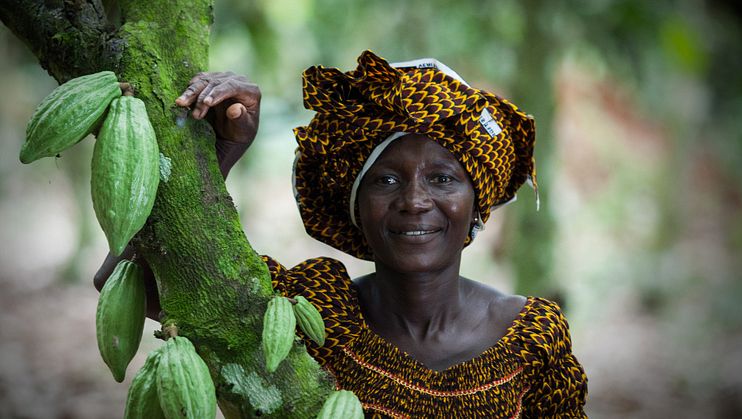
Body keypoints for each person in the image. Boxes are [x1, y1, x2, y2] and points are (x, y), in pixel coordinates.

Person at [96, 50, 587, 418]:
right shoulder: (314, 312)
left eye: (442, 178)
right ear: (356, 208)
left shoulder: (531, 336)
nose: (415, 201)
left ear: (475, 204)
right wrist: (220, 154)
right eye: (387, 180)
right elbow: (126, 283)